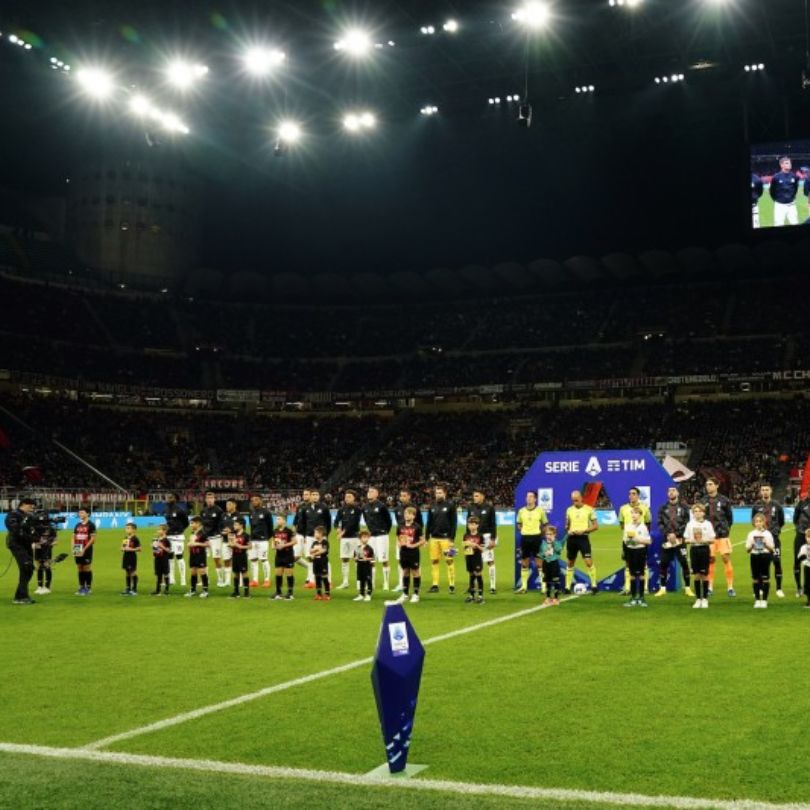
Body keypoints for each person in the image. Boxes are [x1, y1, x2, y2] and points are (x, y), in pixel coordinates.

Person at [655, 485, 694, 598]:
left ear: (677, 493)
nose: (671, 492)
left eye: (673, 490)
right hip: (667, 540)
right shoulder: (663, 507)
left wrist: (676, 534)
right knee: (664, 563)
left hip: (680, 540)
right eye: (669, 491)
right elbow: (659, 523)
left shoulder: (684, 507)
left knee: (684, 563)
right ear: (667, 494)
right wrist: (668, 534)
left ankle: (687, 588)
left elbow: (687, 523)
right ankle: (662, 588)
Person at [701, 477, 735, 597]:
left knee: (725, 558)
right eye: (707, 484)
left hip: (722, 535)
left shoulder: (724, 500)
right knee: (710, 560)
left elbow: (730, 518)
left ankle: (730, 587)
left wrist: (725, 530)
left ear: (717, 485)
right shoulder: (703, 500)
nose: (708, 486)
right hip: (709, 537)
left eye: (710, 484)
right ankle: (710, 587)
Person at [751, 484, 786, 598]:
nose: (765, 492)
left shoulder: (777, 505)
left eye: (767, 490)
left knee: (777, 562)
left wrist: (774, 531)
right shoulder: (756, 506)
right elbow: (753, 520)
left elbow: (781, 521)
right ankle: (760, 588)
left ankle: (779, 588)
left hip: (774, 538)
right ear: (760, 492)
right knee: (761, 563)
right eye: (763, 490)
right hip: (760, 538)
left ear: (771, 491)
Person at [564, 490, 599, 594]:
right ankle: (567, 587)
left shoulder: (589, 510)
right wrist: (568, 530)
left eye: (576, 500)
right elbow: (567, 525)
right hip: (572, 539)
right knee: (570, 562)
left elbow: (596, 526)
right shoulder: (569, 510)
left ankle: (594, 585)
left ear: (581, 498)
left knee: (588, 562)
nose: (575, 502)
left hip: (583, 538)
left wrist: (583, 531)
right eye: (573, 500)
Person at [619, 487, 652, 595]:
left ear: (638, 495)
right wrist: (628, 534)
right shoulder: (623, 508)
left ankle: (645, 588)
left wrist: (641, 534)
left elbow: (648, 522)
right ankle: (628, 588)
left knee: (643, 564)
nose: (631, 495)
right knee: (627, 563)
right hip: (628, 540)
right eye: (630, 494)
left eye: (633, 493)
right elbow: (622, 524)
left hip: (641, 540)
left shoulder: (645, 508)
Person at [426, 484, 458, 594]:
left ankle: (452, 585)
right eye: (436, 493)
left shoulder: (450, 505)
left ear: (445, 493)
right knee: (434, 561)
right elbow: (429, 523)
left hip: (446, 539)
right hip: (434, 538)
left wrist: (452, 539)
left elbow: (454, 523)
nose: (438, 494)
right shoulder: (432, 506)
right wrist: (426, 537)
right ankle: (435, 585)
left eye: (440, 492)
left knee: (449, 560)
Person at [4, 497, 36, 605]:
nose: (31, 509)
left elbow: (32, 530)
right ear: (23, 504)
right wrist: (30, 536)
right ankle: (22, 596)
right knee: (26, 567)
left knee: (29, 569)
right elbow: (14, 529)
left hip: (26, 545)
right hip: (16, 544)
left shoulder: (28, 516)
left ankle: (19, 596)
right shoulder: (13, 515)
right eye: (30, 506)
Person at [516, 490, 548, 594]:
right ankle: (524, 587)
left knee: (539, 562)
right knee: (525, 562)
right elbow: (519, 525)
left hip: (536, 538)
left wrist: (540, 533)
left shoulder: (540, 511)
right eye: (527, 496)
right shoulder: (521, 511)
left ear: (535, 499)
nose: (528, 498)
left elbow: (545, 524)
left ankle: (544, 586)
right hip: (525, 538)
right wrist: (525, 530)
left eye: (531, 496)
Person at [684, 504, 715, 609]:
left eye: (699, 511)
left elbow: (712, 539)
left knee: (704, 574)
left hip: (704, 549)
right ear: (693, 513)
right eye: (695, 511)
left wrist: (703, 540)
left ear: (703, 513)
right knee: (696, 574)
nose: (697, 513)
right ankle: (698, 599)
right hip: (694, 549)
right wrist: (692, 540)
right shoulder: (690, 524)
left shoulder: (708, 524)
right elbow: (686, 539)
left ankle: (705, 598)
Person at [391, 506, 424, 604]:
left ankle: (416, 594)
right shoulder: (400, 525)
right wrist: (399, 543)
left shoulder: (417, 527)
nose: (406, 515)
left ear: (413, 516)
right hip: (403, 552)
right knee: (405, 572)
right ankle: (405, 594)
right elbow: (398, 537)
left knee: (415, 572)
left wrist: (413, 545)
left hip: (413, 552)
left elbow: (422, 540)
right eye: (405, 514)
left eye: (409, 514)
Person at [468, 487, 498, 594]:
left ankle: (493, 586)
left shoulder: (489, 508)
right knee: (472, 562)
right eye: (474, 495)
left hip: (486, 537)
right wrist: (468, 538)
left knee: (489, 561)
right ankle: (472, 586)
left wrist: (493, 539)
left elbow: (493, 524)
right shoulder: (471, 508)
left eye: (476, 495)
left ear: (482, 496)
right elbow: (468, 524)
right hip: (473, 538)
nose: (474, 498)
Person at [392, 489, 423, 592]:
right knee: (403, 567)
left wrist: (415, 544)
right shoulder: (397, 510)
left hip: (413, 548)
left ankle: (415, 592)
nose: (402, 497)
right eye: (401, 496)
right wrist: (399, 543)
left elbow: (420, 526)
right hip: (402, 547)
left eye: (404, 495)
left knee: (415, 570)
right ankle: (403, 588)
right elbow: (398, 533)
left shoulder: (415, 510)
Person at [363, 486, 392, 591]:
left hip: (382, 536)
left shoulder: (382, 506)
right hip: (371, 537)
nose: (369, 493)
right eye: (368, 491)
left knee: (384, 559)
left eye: (372, 491)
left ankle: (386, 582)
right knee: (371, 560)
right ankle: (372, 583)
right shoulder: (365, 507)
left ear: (377, 494)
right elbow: (366, 520)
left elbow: (389, 521)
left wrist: (385, 532)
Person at [302, 490, 332, 589]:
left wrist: (325, 535)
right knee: (310, 558)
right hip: (309, 536)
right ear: (310, 496)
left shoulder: (324, 507)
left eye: (316, 495)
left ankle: (329, 580)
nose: (314, 496)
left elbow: (328, 522)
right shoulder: (306, 508)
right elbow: (303, 523)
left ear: (319, 496)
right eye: (313, 495)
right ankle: (311, 581)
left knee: (323, 558)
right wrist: (305, 536)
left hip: (321, 537)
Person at [622, 507, 652, 608]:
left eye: (635, 513)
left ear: (640, 515)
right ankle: (634, 597)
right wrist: (629, 541)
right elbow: (625, 540)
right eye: (632, 513)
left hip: (640, 551)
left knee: (641, 574)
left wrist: (637, 540)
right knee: (632, 574)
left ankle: (642, 597)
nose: (633, 515)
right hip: (630, 551)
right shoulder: (627, 526)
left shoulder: (643, 527)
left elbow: (648, 541)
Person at [745, 513, 775, 609]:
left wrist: (765, 544)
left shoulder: (768, 534)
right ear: (754, 523)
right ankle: (757, 600)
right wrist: (752, 545)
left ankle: (765, 600)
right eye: (756, 521)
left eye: (760, 521)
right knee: (755, 578)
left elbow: (772, 549)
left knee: (765, 578)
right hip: (754, 556)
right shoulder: (751, 534)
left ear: (764, 522)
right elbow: (747, 550)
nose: (758, 523)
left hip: (765, 556)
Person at [334, 489, 362, 590]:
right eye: (346, 497)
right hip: (344, 539)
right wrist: (337, 527)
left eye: (349, 496)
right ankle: (345, 582)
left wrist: (342, 532)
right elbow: (336, 520)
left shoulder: (358, 509)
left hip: (355, 538)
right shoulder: (341, 509)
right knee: (344, 559)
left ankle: (359, 582)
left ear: (354, 498)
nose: (347, 498)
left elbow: (353, 523)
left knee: (358, 559)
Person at [200, 491, 226, 587]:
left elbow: (222, 524)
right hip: (206, 538)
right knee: (203, 559)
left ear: (214, 499)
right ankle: (205, 580)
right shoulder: (203, 511)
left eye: (211, 498)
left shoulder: (219, 510)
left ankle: (220, 579)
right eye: (208, 498)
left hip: (216, 538)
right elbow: (202, 525)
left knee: (216, 558)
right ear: (206, 500)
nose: (210, 500)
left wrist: (221, 534)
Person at [248, 494, 273, 589]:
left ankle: (267, 580)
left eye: (256, 499)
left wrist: (267, 537)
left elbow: (270, 527)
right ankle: (255, 580)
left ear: (261, 501)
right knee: (253, 560)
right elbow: (251, 527)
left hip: (263, 540)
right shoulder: (251, 512)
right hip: (253, 540)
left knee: (264, 560)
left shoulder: (266, 512)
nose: (254, 501)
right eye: (253, 500)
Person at [164, 493, 189, 588]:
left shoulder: (180, 510)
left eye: (170, 497)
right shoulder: (166, 509)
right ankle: (171, 578)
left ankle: (183, 579)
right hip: (169, 536)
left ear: (174, 498)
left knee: (179, 556)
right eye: (167, 497)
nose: (168, 499)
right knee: (170, 557)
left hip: (178, 537)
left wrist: (180, 530)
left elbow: (186, 523)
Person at [769, 155, 799, 226]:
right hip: (780, 206)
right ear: (781, 165)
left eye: (789, 163)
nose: (789, 164)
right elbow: (771, 191)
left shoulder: (794, 176)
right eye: (787, 163)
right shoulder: (776, 177)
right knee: (778, 225)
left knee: (795, 224)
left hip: (791, 205)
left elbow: (795, 188)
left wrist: (792, 198)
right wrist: (777, 200)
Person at [72, 508, 96, 596]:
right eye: (79, 513)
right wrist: (73, 548)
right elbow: (73, 537)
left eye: (82, 512)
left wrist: (84, 549)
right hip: (77, 547)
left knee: (86, 568)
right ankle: (81, 586)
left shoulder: (91, 525)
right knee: (79, 567)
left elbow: (93, 539)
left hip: (86, 548)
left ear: (88, 514)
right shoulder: (77, 525)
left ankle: (88, 588)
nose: (80, 514)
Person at [272, 515, 296, 601]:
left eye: (279, 519)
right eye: (276, 519)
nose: (277, 520)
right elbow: (273, 542)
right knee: (278, 573)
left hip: (288, 554)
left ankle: (290, 593)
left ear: (284, 521)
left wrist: (284, 545)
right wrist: (274, 547)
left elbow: (294, 541)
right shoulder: (275, 531)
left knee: (289, 573)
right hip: (279, 555)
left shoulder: (289, 531)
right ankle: (278, 592)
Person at [185, 515, 210, 598]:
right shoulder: (192, 533)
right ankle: (192, 590)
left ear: (198, 523)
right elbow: (190, 543)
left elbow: (208, 544)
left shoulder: (203, 533)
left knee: (202, 572)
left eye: (192, 523)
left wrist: (197, 544)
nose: (191, 525)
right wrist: (189, 545)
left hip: (200, 555)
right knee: (193, 572)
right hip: (193, 555)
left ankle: (205, 591)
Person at [462, 515, 486, 604]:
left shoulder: (480, 536)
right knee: (471, 575)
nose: (471, 526)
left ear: (477, 525)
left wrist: (476, 546)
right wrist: (465, 549)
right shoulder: (466, 535)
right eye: (470, 524)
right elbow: (464, 547)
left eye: (473, 524)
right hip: (469, 557)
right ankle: (471, 595)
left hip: (477, 557)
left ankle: (480, 595)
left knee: (478, 574)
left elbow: (483, 549)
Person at [539, 525, 563, 606]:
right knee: (547, 581)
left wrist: (553, 542)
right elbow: (540, 554)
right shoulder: (543, 543)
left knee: (556, 581)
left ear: (554, 534)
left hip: (554, 563)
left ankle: (556, 598)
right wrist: (544, 554)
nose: (548, 536)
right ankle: (548, 598)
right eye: (547, 534)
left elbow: (559, 550)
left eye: (550, 534)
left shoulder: (557, 542)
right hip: (546, 563)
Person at [220, 498, 241, 588]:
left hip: (236, 541)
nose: (227, 506)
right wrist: (222, 532)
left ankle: (240, 581)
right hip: (225, 541)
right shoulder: (223, 515)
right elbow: (219, 526)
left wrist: (231, 530)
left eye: (229, 504)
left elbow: (241, 528)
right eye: (226, 504)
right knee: (226, 560)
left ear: (234, 505)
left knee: (237, 561)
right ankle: (227, 581)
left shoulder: (239, 516)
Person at [792, 494, 810, 598]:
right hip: (801, 535)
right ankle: (799, 587)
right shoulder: (801, 503)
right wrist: (802, 530)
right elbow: (795, 519)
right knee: (797, 560)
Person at [228, 518, 251, 599]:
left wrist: (240, 546)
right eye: (234, 524)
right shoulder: (233, 534)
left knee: (244, 572)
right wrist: (231, 544)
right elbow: (230, 544)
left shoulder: (246, 535)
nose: (234, 526)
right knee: (236, 573)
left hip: (242, 556)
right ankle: (236, 592)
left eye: (236, 524)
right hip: (234, 555)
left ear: (241, 525)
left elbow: (250, 546)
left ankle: (246, 592)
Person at [292, 488, 311, 579]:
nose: (305, 496)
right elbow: (296, 519)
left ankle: (309, 578)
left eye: (307, 494)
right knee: (295, 557)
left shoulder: (314, 507)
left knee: (309, 556)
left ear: (311, 495)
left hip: (309, 535)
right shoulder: (300, 506)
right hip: (299, 534)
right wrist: (294, 529)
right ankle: (309, 568)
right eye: (304, 494)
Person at [353, 529, 375, 602]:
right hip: (360, 566)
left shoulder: (370, 548)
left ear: (368, 538)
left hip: (367, 566)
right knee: (361, 580)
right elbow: (355, 557)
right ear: (360, 538)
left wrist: (367, 559)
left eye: (366, 537)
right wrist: (355, 558)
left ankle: (369, 594)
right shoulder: (357, 548)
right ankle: (361, 594)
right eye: (363, 537)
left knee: (368, 580)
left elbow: (372, 558)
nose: (365, 539)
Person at [310, 526, 331, 601]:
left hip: (323, 561)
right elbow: (310, 550)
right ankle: (319, 594)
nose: (314, 534)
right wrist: (315, 550)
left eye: (316, 533)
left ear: (321, 533)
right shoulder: (314, 542)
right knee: (317, 577)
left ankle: (327, 593)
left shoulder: (325, 542)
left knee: (324, 577)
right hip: (316, 561)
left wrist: (315, 552)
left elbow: (324, 550)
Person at [120, 521, 141, 596]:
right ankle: (128, 588)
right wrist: (122, 548)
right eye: (126, 528)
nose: (126, 529)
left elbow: (139, 549)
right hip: (125, 556)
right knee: (127, 572)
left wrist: (131, 549)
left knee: (132, 572)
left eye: (128, 528)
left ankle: (134, 589)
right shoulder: (125, 538)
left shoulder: (135, 538)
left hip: (132, 557)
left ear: (134, 530)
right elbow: (123, 546)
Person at [151, 524, 172, 596]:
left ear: (165, 531)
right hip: (157, 559)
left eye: (160, 529)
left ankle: (166, 589)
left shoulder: (166, 540)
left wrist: (162, 546)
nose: (158, 531)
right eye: (158, 529)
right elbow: (155, 550)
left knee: (166, 574)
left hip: (164, 559)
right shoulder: (156, 539)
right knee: (158, 575)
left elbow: (169, 551)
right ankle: (158, 590)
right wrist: (154, 547)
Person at [797, 528, 810, 608]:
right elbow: (800, 557)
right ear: (806, 538)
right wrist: (804, 559)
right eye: (808, 537)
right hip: (808, 567)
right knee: (807, 584)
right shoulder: (804, 547)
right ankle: (809, 601)